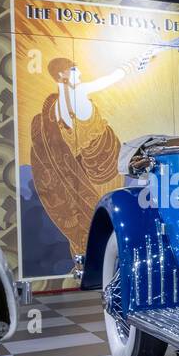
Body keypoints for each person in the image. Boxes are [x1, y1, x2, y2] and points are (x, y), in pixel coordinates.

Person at [29, 50, 154, 253]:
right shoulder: (80, 91)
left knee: (94, 214)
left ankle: (91, 257)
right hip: (105, 166)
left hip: (85, 169)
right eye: (73, 69)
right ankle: (111, 258)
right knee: (111, 215)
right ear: (62, 75)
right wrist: (136, 61)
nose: (79, 73)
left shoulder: (54, 108)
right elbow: (111, 78)